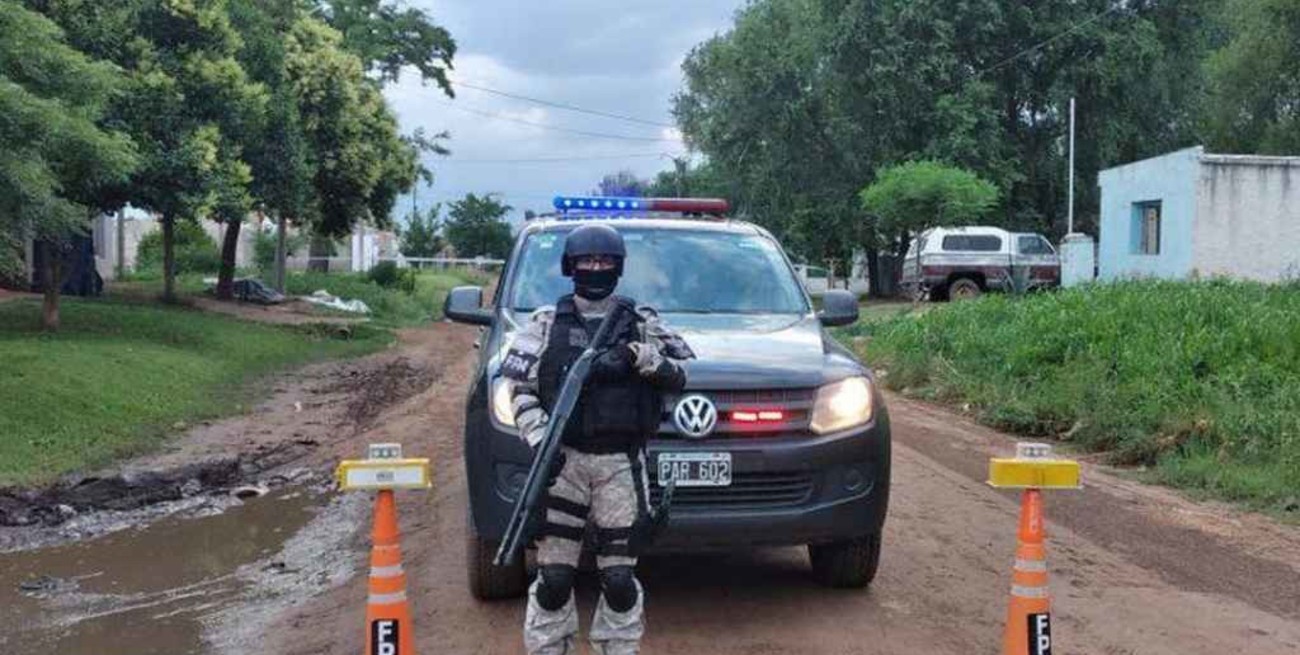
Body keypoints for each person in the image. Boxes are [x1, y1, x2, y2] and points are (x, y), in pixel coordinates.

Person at [502, 223, 693, 655]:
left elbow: (678, 373)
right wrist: (539, 441)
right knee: (553, 579)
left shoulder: (640, 322)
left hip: (620, 465)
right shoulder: (545, 324)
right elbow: (519, 391)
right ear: (571, 266)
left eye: (604, 260)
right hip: (562, 462)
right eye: (586, 260)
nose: (595, 267)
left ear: (617, 266)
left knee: (620, 580)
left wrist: (633, 357)